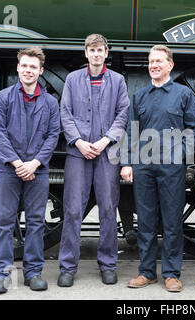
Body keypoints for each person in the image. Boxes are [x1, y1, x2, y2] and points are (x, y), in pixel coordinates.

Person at [121, 45, 195, 292]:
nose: (153, 65)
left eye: (158, 61)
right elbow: (131, 130)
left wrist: (181, 156)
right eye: (151, 61)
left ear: (170, 65)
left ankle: (171, 274)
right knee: (145, 220)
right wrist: (127, 162)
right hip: (144, 166)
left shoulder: (183, 94)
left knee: (172, 220)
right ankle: (147, 272)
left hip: (171, 168)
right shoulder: (140, 96)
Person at [58, 33, 130, 287]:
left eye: (101, 50)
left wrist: (105, 140)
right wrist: (78, 141)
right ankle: (67, 267)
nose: (97, 54)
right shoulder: (72, 79)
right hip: (78, 152)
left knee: (109, 209)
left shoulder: (118, 81)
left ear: (106, 53)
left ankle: (108, 264)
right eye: (92, 50)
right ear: (85, 53)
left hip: (106, 152)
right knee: (73, 209)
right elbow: (65, 113)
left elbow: (123, 113)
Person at [0, 46, 60, 294]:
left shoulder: (50, 103)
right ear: (18, 68)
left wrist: (35, 163)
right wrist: (17, 163)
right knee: (4, 222)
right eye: (25, 66)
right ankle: (0, 273)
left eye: (33, 67)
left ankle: (33, 273)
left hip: (37, 170)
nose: (28, 70)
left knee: (36, 222)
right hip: (9, 169)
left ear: (41, 71)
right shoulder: (3, 98)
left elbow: (53, 136)